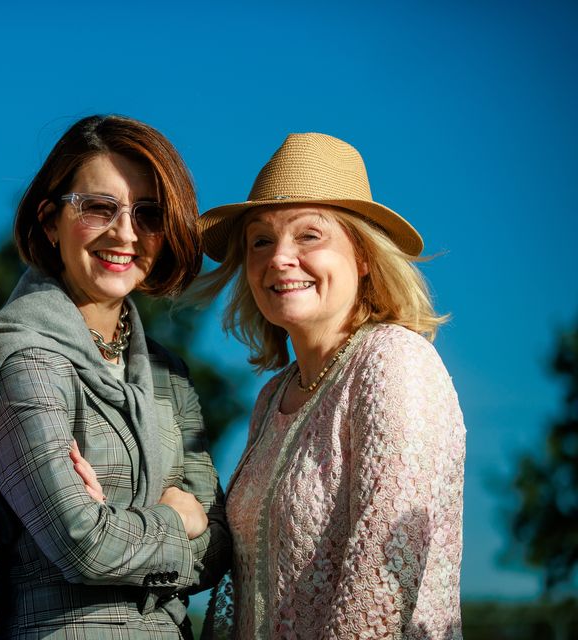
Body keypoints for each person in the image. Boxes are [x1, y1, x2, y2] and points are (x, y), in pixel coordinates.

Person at [0, 114, 231, 639]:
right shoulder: (27, 360)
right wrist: (177, 519)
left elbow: (222, 544)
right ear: (49, 220)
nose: (126, 233)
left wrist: (126, 527)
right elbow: (80, 544)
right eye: (99, 208)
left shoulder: (167, 374)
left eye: (148, 214)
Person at [197, 133, 465, 639]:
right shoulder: (272, 397)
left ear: (363, 255)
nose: (279, 257)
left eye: (309, 235)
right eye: (261, 240)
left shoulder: (393, 360)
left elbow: (385, 574)